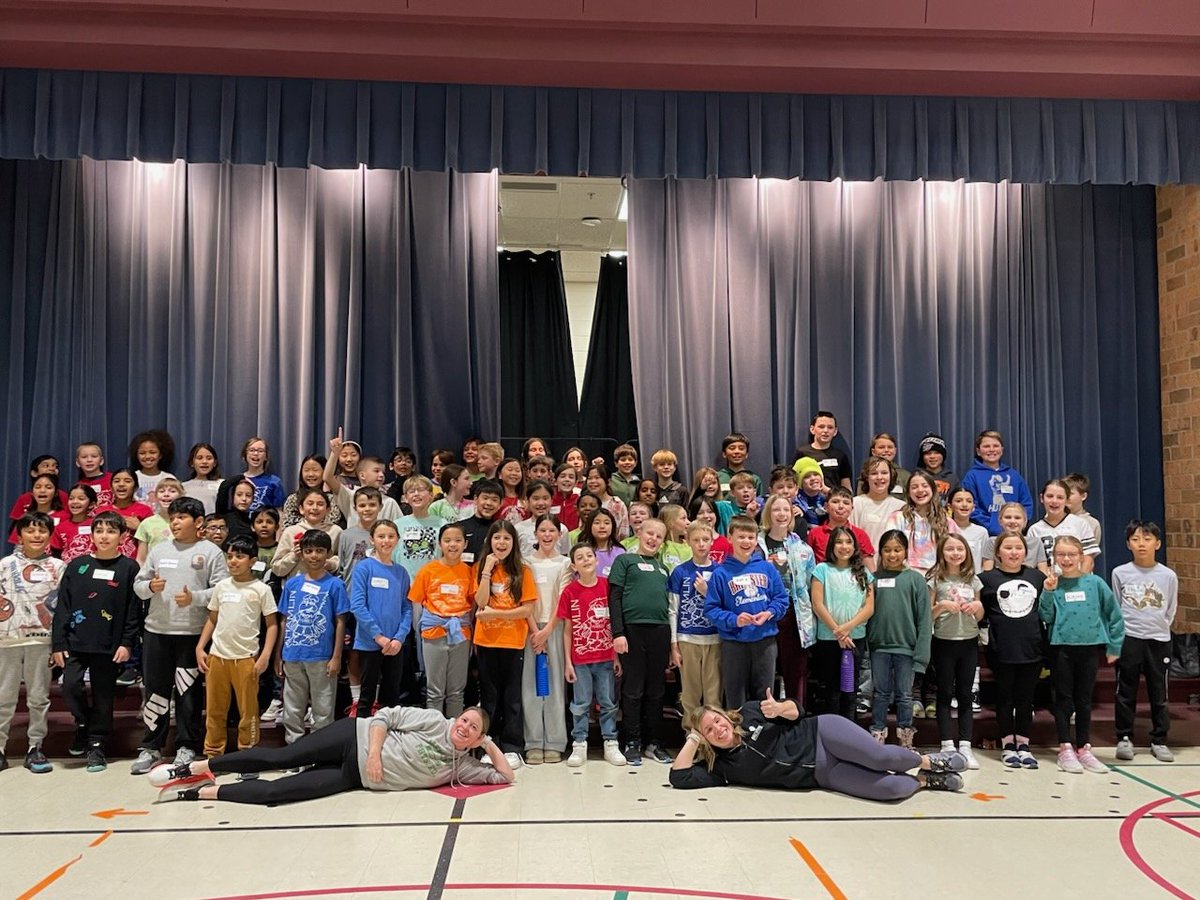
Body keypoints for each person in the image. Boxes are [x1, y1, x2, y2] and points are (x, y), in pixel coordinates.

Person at [149, 706, 514, 805]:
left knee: (280, 794)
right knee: (282, 759)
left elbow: (504, 777)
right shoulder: (435, 721)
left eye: (472, 729)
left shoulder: (464, 765)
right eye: (464, 720)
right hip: (352, 739)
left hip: (354, 778)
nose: (464, 727)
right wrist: (373, 754)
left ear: (477, 739)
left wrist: (489, 746)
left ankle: (198, 791)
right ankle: (195, 766)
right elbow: (384, 716)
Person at [670, 692, 966, 797]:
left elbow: (797, 709)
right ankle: (927, 782)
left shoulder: (750, 711)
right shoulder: (722, 769)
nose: (718, 729)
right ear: (705, 739)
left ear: (725, 715)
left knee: (879, 758)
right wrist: (693, 737)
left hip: (822, 734)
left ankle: (928, 762)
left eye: (717, 721)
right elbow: (679, 776)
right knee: (892, 790)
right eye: (709, 730)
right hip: (822, 776)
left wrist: (780, 708)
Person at [131, 497, 229, 774]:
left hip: (192, 635)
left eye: (181, 518)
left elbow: (222, 590)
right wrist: (150, 585)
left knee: (188, 693)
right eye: (172, 518)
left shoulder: (210, 552)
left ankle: (186, 746)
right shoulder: (159, 550)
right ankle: (151, 747)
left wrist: (195, 598)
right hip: (157, 631)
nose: (175, 522)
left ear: (198, 523)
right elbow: (138, 585)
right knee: (156, 691)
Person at [52, 510, 140, 772]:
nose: (104, 536)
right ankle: (83, 724)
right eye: (99, 531)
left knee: (104, 696)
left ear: (122, 536)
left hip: (109, 645)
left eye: (111, 531)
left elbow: (133, 610)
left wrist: (127, 643)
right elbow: (63, 607)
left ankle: (97, 744)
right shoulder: (77, 566)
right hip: (75, 642)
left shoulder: (129, 568)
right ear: (92, 535)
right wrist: (58, 643)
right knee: (70, 687)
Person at [1040, 535, 1125, 775]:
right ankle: (1065, 747)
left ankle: (1084, 748)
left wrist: (1115, 646)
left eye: (1071, 554)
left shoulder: (1095, 583)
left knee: (1084, 699)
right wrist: (1047, 592)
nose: (1066, 559)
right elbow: (1045, 617)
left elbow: (1114, 614)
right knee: (1063, 699)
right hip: (1061, 648)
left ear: (1081, 556)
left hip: (1089, 647)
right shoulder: (1053, 585)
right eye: (1061, 555)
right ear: (1054, 557)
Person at [196, 535, 278, 758]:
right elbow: (212, 618)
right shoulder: (221, 587)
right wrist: (200, 647)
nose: (233, 561)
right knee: (214, 710)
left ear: (252, 560)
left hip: (246, 659)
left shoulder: (261, 589)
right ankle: (213, 754)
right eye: (229, 556)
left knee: (248, 712)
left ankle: (248, 754)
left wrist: (265, 656)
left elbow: (272, 625)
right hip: (217, 658)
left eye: (239, 556)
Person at [0, 511, 66, 773]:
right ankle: (0, 748)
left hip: (42, 641)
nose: (36, 535)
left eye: (42, 531)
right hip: (7, 640)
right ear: (20, 534)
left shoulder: (59, 567)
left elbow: (63, 608)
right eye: (30, 530)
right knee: (4, 697)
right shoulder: (4, 565)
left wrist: (59, 643)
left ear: (50, 535)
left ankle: (35, 747)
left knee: (38, 697)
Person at [703, 514, 788, 708]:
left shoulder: (767, 568)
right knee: (736, 698)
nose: (746, 541)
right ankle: (739, 737)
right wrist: (734, 619)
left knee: (765, 697)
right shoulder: (720, 573)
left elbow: (781, 600)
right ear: (730, 538)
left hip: (765, 642)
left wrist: (769, 613)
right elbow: (711, 609)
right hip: (734, 644)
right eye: (741, 536)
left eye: (751, 537)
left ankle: (763, 736)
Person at [1111, 520, 1177, 763]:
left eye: (1147, 539)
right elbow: (1117, 606)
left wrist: (1158, 627)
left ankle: (1159, 740)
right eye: (1136, 539)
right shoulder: (1120, 572)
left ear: (1157, 544)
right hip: (1129, 639)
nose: (1142, 544)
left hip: (1158, 640)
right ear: (1129, 544)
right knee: (1125, 690)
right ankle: (1124, 737)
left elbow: (1170, 608)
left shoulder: (1168, 575)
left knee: (1159, 692)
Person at [979, 532, 1046, 768]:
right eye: (1008, 548)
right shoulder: (985, 579)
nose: (1013, 552)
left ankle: (1024, 744)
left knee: (1026, 699)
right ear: (998, 552)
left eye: (1018, 547)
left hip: (1032, 647)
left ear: (1025, 552)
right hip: (1002, 648)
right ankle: (1008, 744)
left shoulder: (1037, 577)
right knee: (1005, 698)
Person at [275, 530, 349, 744]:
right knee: (292, 709)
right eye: (308, 551)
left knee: (323, 710)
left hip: (321, 656)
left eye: (319, 551)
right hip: (292, 655)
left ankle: (319, 753)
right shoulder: (292, 584)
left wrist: (336, 657)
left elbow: (340, 621)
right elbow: (284, 620)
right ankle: (295, 752)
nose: (314, 556)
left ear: (328, 553)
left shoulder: (335, 585)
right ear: (301, 554)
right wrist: (278, 654)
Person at [473, 520, 536, 768]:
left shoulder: (523, 571)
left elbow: (526, 610)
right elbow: (480, 600)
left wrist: (495, 615)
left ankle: (512, 747)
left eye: (506, 539)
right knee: (489, 697)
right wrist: (487, 569)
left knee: (512, 697)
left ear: (514, 543)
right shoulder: (481, 568)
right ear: (490, 542)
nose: (501, 543)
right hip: (486, 641)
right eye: (496, 538)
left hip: (513, 642)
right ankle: (490, 745)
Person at [609, 517, 672, 766]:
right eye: (650, 533)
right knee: (633, 689)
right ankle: (632, 741)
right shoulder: (625, 561)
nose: (653, 539)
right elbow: (614, 599)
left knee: (656, 689)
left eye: (659, 536)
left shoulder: (663, 568)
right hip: (632, 631)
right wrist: (618, 633)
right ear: (639, 533)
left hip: (660, 631)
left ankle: (654, 742)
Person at [866, 530, 929, 750]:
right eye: (887, 550)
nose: (892, 554)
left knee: (904, 695)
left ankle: (905, 736)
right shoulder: (873, 579)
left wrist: (921, 654)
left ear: (905, 551)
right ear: (881, 552)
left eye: (897, 549)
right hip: (879, 648)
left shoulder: (915, 580)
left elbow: (924, 618)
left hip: (906, 649)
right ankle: (877, 733)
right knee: (880, 694)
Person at [927, 534, 984, 769]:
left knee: (965, 695)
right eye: (950, 549)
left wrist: (978, 607)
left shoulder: (974, 580)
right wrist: (940, 606)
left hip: (969, 642)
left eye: (960, 549)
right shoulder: (934, 580)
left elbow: (979, 616)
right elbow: (926, 615)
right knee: (944, 693)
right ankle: (947, 745)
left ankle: (966, 747)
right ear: (942, 552)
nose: (955, 553)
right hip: (943, 642)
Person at [409, 523, 475, 717]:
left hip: (461, 633)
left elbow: (473, 606)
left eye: (457, 540)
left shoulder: (469, 572)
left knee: (456, 691)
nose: (452, 545)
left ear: (465, 544)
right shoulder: (428, 570)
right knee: (434, 691)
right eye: (447, 540)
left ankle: (455, 738)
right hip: (433, 632)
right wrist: (418, 631)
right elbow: (416, 604)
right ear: (439, 544)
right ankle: (434, 736)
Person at [757, 495, 816, 710]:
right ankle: (765, 720)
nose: (781, 514)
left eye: (786, 510)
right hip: (762, 612)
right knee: (766, 670)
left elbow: (810, 587)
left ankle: (795, 716)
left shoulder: (803, 549)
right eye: (776, 510)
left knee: (795, 670)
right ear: (768, 514)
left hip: (794, 614)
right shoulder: (755, 545)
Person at [350, 521, 414, 718]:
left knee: (392, 696)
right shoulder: (364, 568)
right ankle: (360, 739)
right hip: (370, 643)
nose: (386, 541)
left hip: (395, 644)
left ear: (397, 539)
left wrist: (399, 638)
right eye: (381, 536)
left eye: (390, 536)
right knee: (367, 695)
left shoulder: (401, 572)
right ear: (372, 540)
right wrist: (378, 637)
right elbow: (358, 606)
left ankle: (388, 740)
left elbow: (406, 607)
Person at [522, 516, 572, 763]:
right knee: (531, 686)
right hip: (530, 629)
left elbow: (563, 598)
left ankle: (554, 741)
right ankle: (532, 742)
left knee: (554, 686)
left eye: (552, 530)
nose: (547, 534)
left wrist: (547, 630)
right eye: (543, 530)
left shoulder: (565, 564)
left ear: (559, 534)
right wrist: (535, 632)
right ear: (536, 533)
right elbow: (525, 598)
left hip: (556, 628)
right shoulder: (526, 563)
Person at [809, 527, 874, 718]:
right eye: (839, 542)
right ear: (831, 545)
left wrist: (848, 628)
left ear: (855, 546)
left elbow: (869, 607)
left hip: (854, 638)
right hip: (829, 639)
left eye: (848, 542)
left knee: (850, 687)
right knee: (831, 688)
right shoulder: (822, 570)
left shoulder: (863, 572)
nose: (844, 546)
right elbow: (817, 604)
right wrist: (837, 631)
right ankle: (832, 734)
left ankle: (850, 733)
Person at [669, 521, 721, 721]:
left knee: (713, 696)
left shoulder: (720, 572)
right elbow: (673, 610)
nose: (701, 544)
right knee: (690, 695)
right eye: (696, 540)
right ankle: (692, 740)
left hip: (715, 639)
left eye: (705, 540)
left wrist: (708, 593)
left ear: (712, 542)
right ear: (688, 542)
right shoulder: (680, 572)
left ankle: (712, 744)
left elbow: (724, 605)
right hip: (687, 639)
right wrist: (674, 644)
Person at [960, 429, 1033, 536]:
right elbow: (970, 507)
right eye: (986, 446)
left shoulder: (1014, 475)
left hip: (1015, 535)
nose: (991, 449)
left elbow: (1027, 504)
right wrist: (991, 526)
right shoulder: (972, 476)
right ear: (978, 451)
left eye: (995, 446)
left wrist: (1017, 524)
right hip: (985, 534)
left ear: (1002, 450)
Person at [884, 470, 956, 576]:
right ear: (908, 492)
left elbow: (954, 550)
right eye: (914, 487)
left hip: (937, 577)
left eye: (924, 486)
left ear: (933, 489)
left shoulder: (946, 521)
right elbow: (890, 549)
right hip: (905, 575)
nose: (920, 490)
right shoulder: (897, 518)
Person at [1026, 479, 1100, 574]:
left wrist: (1080, 581)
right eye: (1049, 496)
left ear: (1067, 500)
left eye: (1060, 497)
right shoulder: (1034, 530)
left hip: (1076, 583)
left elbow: (1088, 559)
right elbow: (1032, 564)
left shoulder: (1081, 524)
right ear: (1041, 498)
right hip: (1048, 584)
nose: (1054, 501)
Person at [272, 488, 343, 580]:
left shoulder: (336, 531)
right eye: (310, 504)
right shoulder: (290, 531)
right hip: (297, 587)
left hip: (326, 585)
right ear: (301, 509)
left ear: (328, 509)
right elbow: (276, 569)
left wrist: (330, 564)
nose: (315, 508)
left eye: (320, 504)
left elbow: (343, 562)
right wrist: (294, 556)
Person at [217, 436, 287, 514]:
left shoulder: (274, 481)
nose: (256, 453)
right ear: (244, 456)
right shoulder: (236, 481)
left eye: (260, 451)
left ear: (266, 457)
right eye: (252, 450)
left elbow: (279, 511)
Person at [850, 457, 905, 553]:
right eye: (874, 473)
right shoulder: (855, 504)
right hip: (862, 565)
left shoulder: (901, 507)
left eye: (884, 473)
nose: (879, 477)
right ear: (866, 477)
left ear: (891, 476)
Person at [794, 411, 853, 490]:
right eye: (821, 427)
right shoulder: (802, 452)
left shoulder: (840, 455)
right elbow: (794, 481)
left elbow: (846, 486)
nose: (825, 431)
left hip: (833, 500)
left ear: (835, 431)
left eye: (830, 427)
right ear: (812, 429)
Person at [128, 429, 177, 503]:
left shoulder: (169, 478)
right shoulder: (131, 477)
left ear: (160, 455)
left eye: (152, 452)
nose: (147, 456)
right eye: (142, 453)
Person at [914, 433, 958, 506]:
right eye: (928, 453)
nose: (932, 456)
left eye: (937, 453)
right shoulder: (916, 477)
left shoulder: (952, 478)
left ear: (943, 455)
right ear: (922, 457)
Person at [181, 443, 223, 515]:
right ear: (192, 463)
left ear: (214, 463)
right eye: (199, 458)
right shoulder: (183, 487)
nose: (204, 462)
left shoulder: (221, 484)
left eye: (209, 458)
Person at [609, 443, 640, 508]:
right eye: (623, 460)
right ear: (616, 463)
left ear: (635, 463)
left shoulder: (639, 482)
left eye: (630, 459)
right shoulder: (610, 480)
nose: (627, 462)